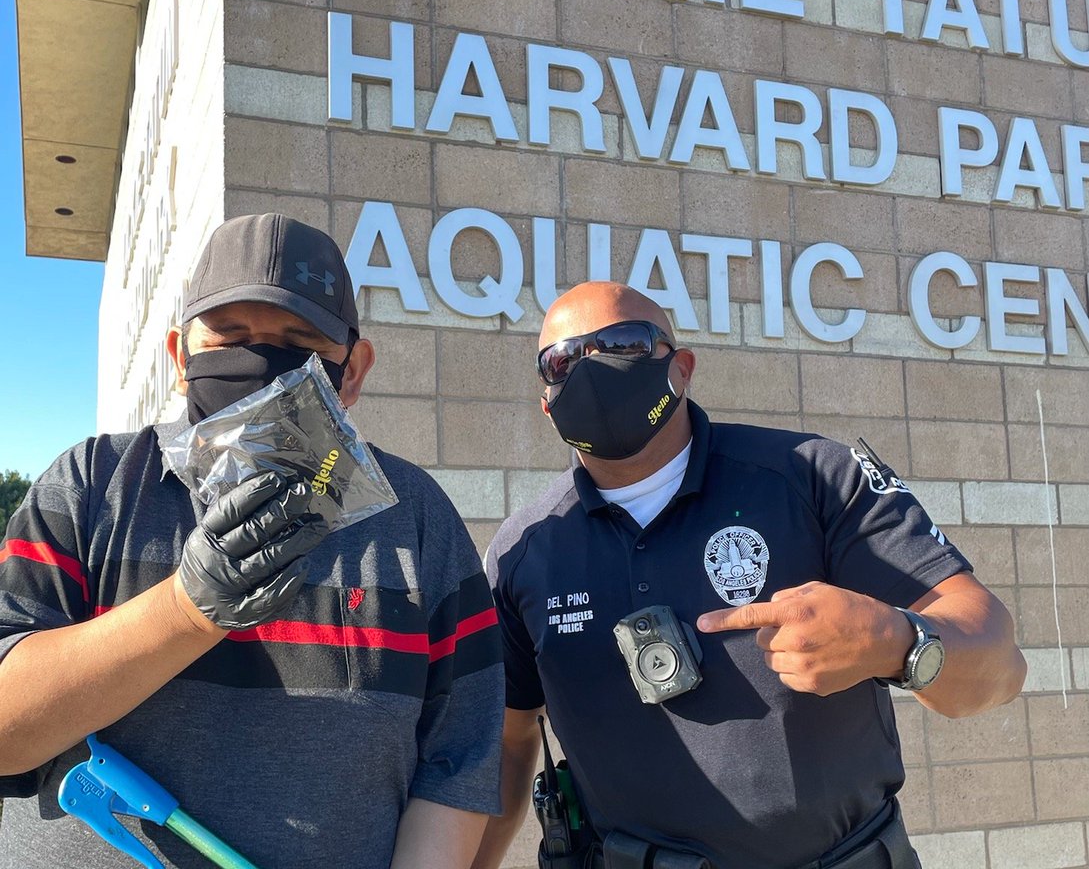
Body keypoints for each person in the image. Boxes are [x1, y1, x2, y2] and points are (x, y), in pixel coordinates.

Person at [0, 213, 504, 869]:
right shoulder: (91, 486)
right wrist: (186, 608)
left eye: (298, 339)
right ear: (181, 356)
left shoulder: (417, 520)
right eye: (230, 334)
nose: (258, 357)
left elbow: (457, 757)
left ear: (351, 371)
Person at [474, 281, 1026, 869]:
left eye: (621, 343)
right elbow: (508, 747)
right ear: (546, 401)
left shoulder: (814, 477)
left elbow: (1000, 659)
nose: (591, 368)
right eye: (561, 361)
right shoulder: (523, 552)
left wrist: (894, 641)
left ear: (680, 369)